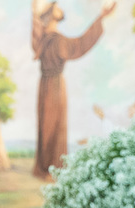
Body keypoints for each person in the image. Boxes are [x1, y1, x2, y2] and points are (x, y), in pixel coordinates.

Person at [31, 0, 116, 179]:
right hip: (54, 86)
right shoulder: (53, 39)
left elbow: (79, 44)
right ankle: (49, 168)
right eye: (56, 6)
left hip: (47, 84)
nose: (60, 7)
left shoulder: (47, 40)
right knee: (51, 124)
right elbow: (80, 44)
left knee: (50, 124)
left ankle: (47, 168)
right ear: (51, 13)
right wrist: (101, 17)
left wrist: (100, 17)